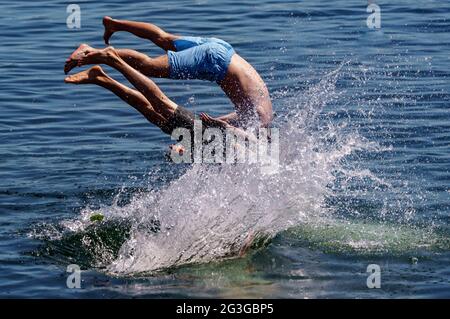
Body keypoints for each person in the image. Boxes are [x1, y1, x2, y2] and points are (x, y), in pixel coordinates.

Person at [64, 17, 273, 131]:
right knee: (148, 66)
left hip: (223, 50)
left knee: (163, 38)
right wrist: (218, 123)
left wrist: (215, 120)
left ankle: (114, 25)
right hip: (215, 63)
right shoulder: (260, 122)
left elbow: (239, 118)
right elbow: (241, 124)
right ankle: (93, 53)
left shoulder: (262, 112)